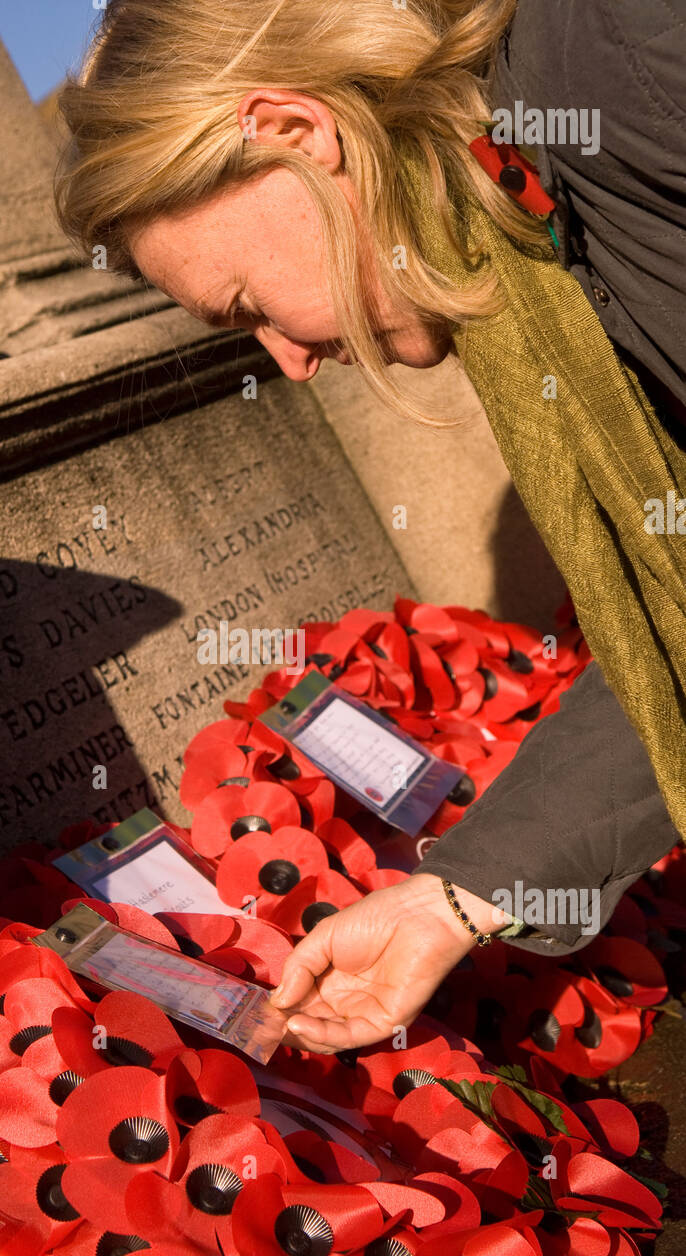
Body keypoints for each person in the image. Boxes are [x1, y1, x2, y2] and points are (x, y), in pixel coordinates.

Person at [56, 0, 686, 1053]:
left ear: (296, 133)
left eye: (249, 300)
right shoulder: (525, 181)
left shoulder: (627, 54)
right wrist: (453, 898)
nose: (290, 357)